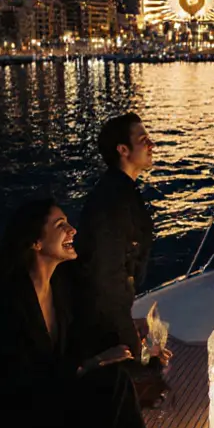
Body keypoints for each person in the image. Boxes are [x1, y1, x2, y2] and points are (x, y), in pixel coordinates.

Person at [0, 199, 137, 428]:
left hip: (47, 401)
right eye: (61, 225)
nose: (73, 230)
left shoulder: (61, 286)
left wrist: (131, 341)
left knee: (116, 381)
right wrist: (91, 364)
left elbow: (86, 336)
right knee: (105, 393)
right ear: (36, 242)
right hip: (10, 419)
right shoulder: (7, 301)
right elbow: (18, 379)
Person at [71, 112, 159, 360]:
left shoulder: (119, 190)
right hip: (102, 323)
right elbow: (107, 273)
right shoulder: (114, 200)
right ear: (123, 149)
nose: (151, 145)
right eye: (143, 139)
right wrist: (127, 335)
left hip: (108, 314)